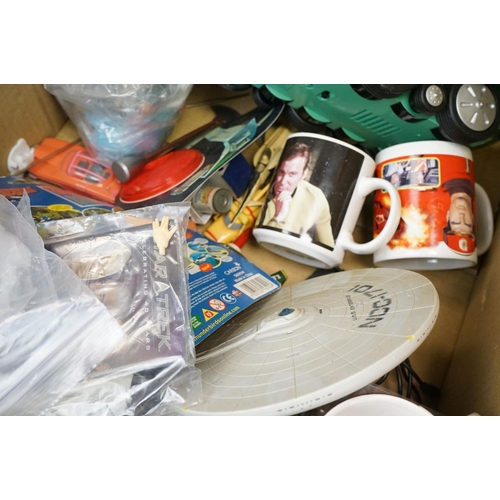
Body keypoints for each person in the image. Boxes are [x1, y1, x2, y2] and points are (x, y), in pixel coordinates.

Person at [260, 142, 334, 248]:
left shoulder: (316, 197)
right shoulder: (261, 197)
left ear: (304, 174)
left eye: (292, 174)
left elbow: (328, 247)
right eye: (281, 172)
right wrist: (278, 217)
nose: (283, 182)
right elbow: (263, 241)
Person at [442, 178, 475, 253]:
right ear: (473, 218)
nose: (461, 215)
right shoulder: (473, 186)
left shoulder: (441, 183)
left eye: (456, 222)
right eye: (467, 224)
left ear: (448, 216)